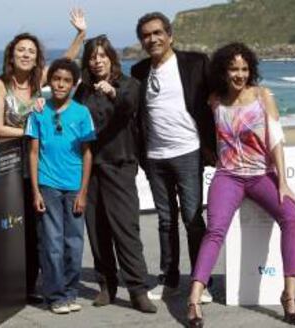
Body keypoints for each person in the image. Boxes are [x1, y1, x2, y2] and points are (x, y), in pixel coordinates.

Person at [187, 42, 295, 328]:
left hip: (261, 175)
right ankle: (193, 299)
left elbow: (275, 140)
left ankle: (289, 297)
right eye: (233, 69)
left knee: (292, 216)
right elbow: (200, 125)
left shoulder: (263, 96)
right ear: (223, 72)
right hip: (228, 176)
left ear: (250, 70)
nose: (239, 74)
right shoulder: (215, 100)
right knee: (214, 230)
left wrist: (284, 183)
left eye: (244, 69)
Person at [0, 9, 87, 304]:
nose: (26, 54)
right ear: (11, 54)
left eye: (31, 51)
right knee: (12, 222)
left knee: (35, 224)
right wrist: (33, 132)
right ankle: (14, 283)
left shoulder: (35, 81)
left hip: (34, 160)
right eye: (21, 50)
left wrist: (80, 33)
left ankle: (35, 283)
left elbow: (65, 63)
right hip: (6, 162)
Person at [131, 12, 216, 301]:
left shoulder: (195, 63)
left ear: (170, 36)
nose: (152, 39)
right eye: (146, 35)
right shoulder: (139, 71)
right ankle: (168, 279)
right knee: (166, 221)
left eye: (157, 33)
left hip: (188, 152)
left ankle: (200, 280)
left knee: (192, 218)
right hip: (154, 157)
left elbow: (220, 92)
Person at [74, 35, 157, 313]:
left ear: (111, 58)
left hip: (120, 165)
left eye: (102, 56)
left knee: (126, 230)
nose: (97, 61)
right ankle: (106, 285)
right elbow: (70, 115)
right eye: (92, 57)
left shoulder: (129, 84)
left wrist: (112, 92)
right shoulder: (83, 90)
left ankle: (137, 289)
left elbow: (130, 106)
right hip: (90, 169)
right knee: (97, 231)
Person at [26, 58, 95, 314]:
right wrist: (35, 191)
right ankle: (54, 296)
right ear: (49, 80)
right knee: (52, 243)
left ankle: (70, 292)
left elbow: (88, 154)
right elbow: (33, 153)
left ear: (74, 84)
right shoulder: (38, 111)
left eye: (66, 80)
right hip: (48, 186)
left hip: (75, 187)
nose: (60, 84)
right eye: (56, 79)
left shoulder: (81, 112)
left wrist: (84, 191)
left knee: (74, 243)